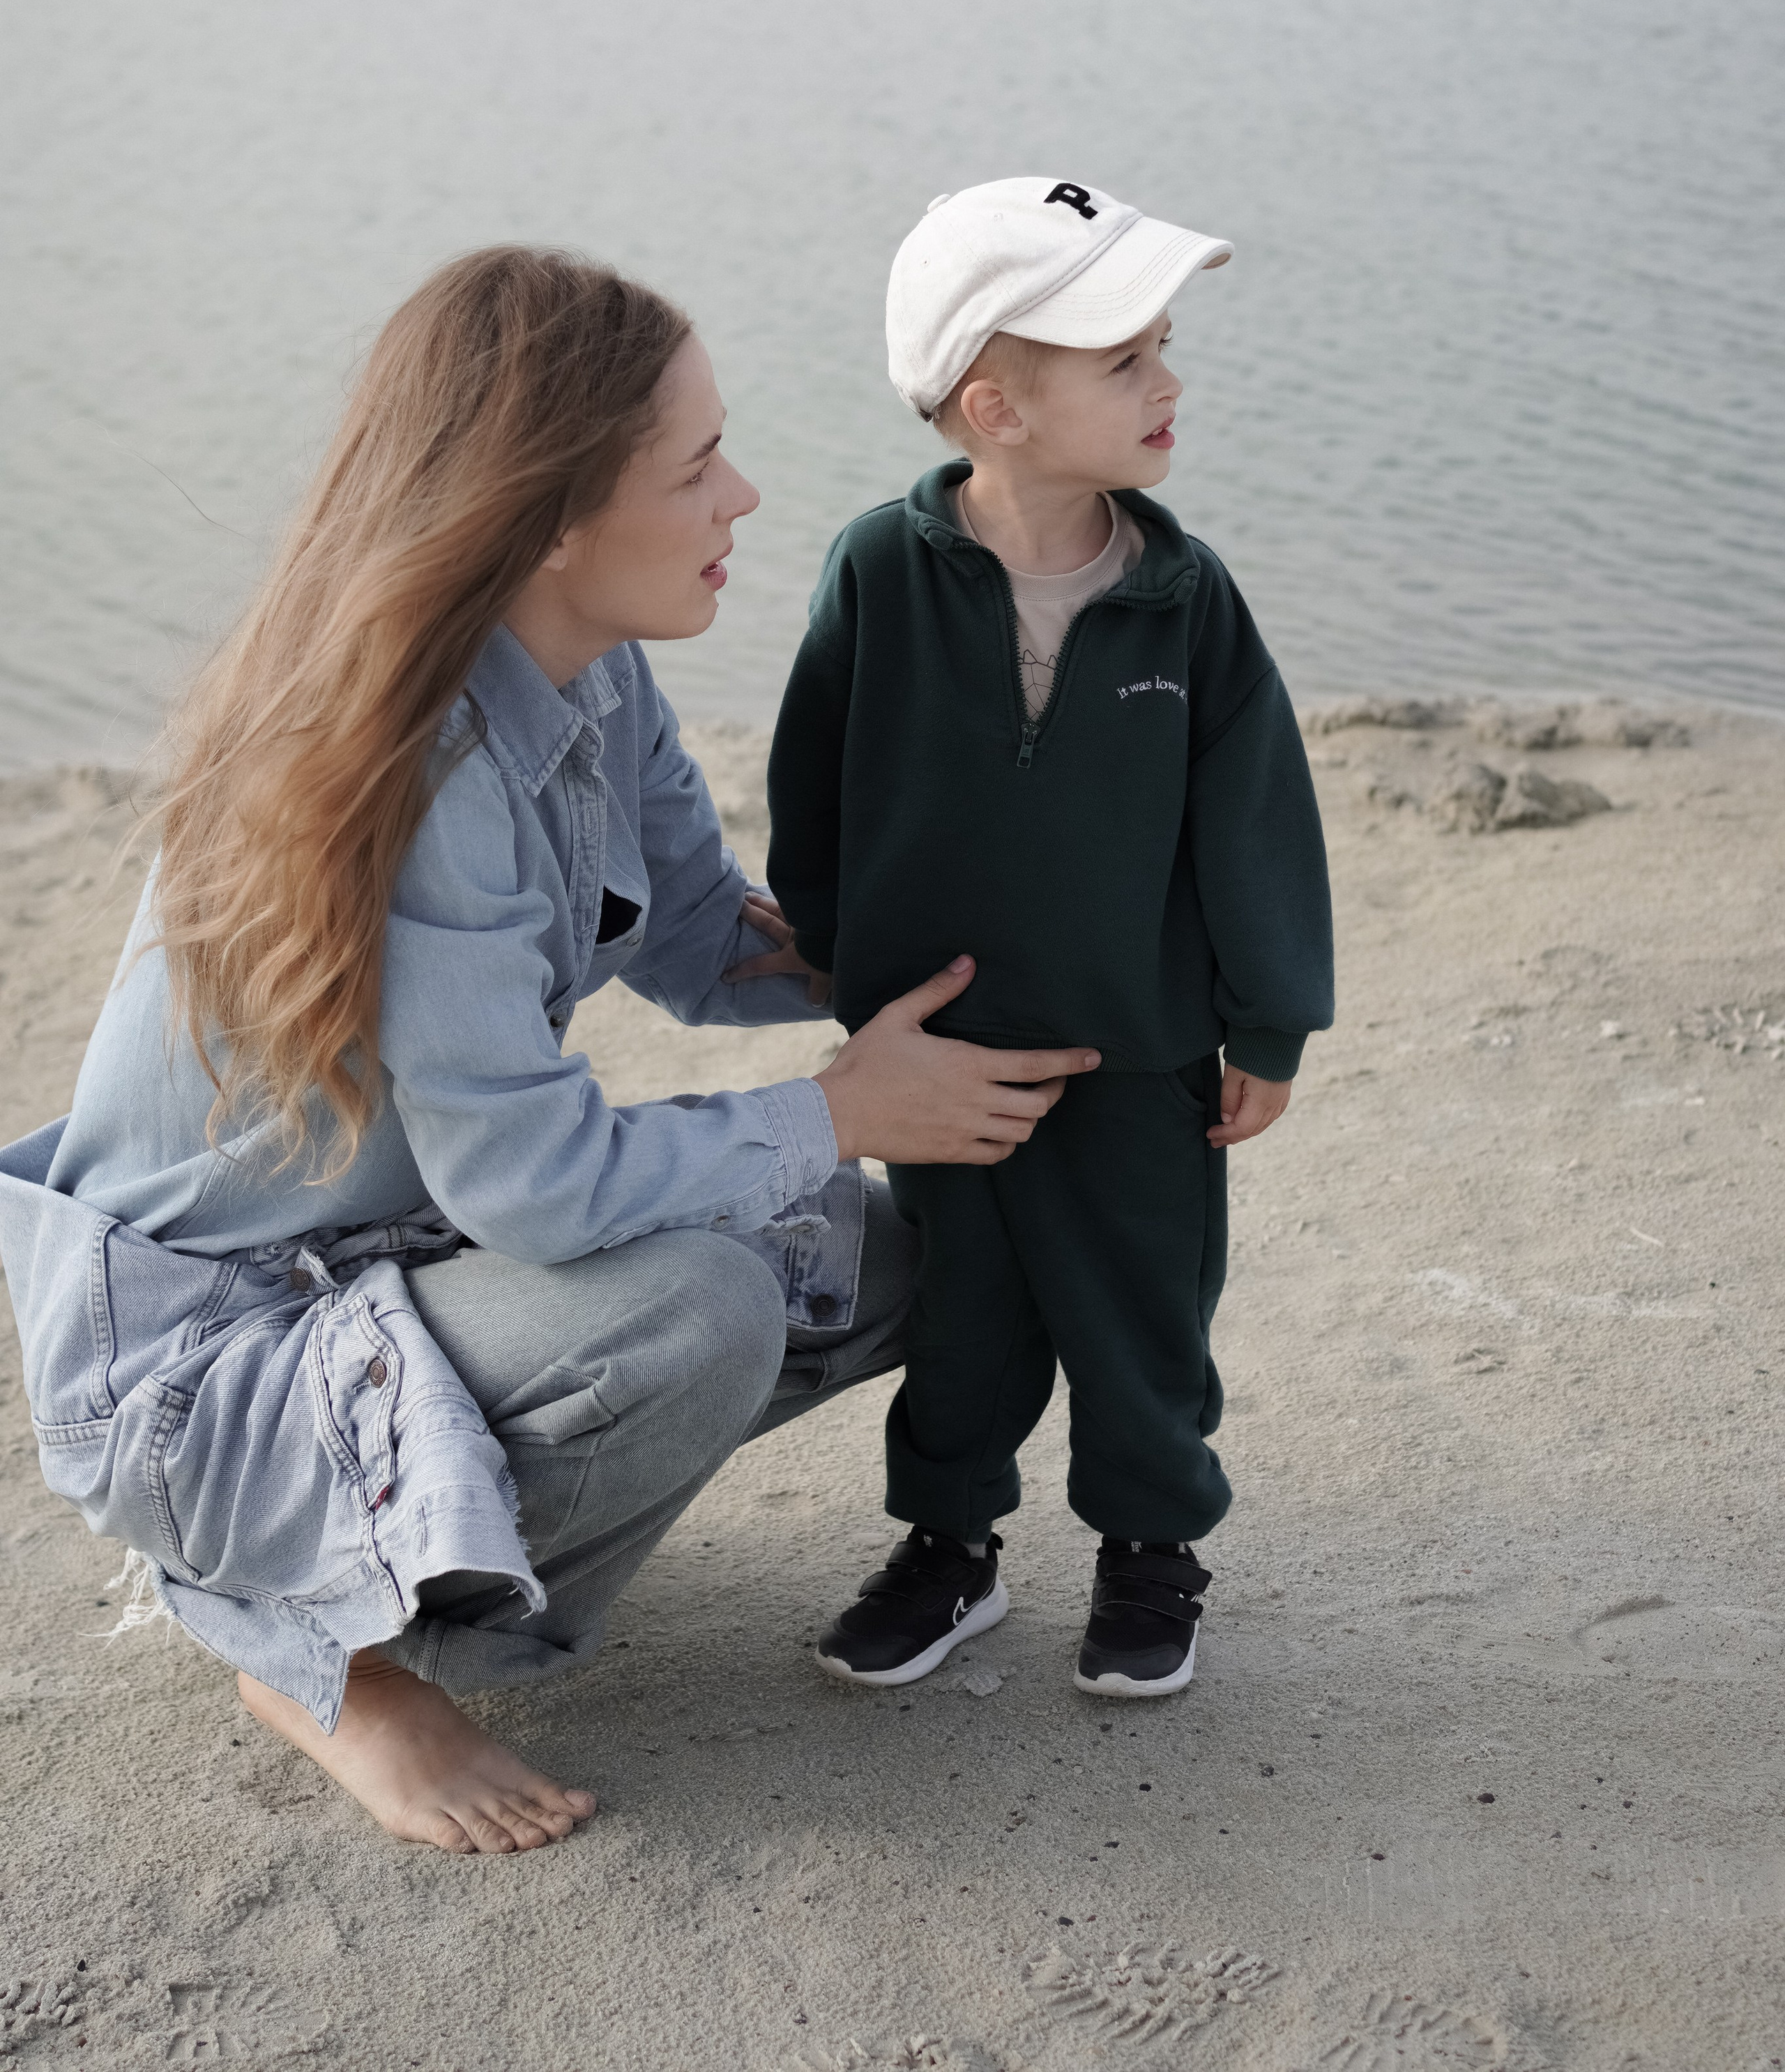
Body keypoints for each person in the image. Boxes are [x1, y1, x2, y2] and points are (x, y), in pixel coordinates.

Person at [0, 245, 1103, 1854]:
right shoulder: (416, 763)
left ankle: (384, 1544)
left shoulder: (591, 673)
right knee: (706, 1307)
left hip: (400, 1250)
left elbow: (699, 939)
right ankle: (335, 1658)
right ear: (549, 519)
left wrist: (983, 961)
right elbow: (531, 1181)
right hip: (203, 1368)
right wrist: (845, 1105)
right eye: (693, 465)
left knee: (885, 1262)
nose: (743, 493)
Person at [767, 176, 1335, 1699]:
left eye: (1161, 347)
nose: (1168, 383)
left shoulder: (1181, 596)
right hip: (938, 1068)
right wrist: (836, 951)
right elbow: (812, 774)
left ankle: (1151, 1557)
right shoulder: (876, 573)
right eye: (1123, 360)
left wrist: (1265, 1025)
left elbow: (1256, 816)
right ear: (993, 406)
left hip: (1141, 1052)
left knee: (1145, 1319)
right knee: (963, 1321)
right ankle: (948, 1551)